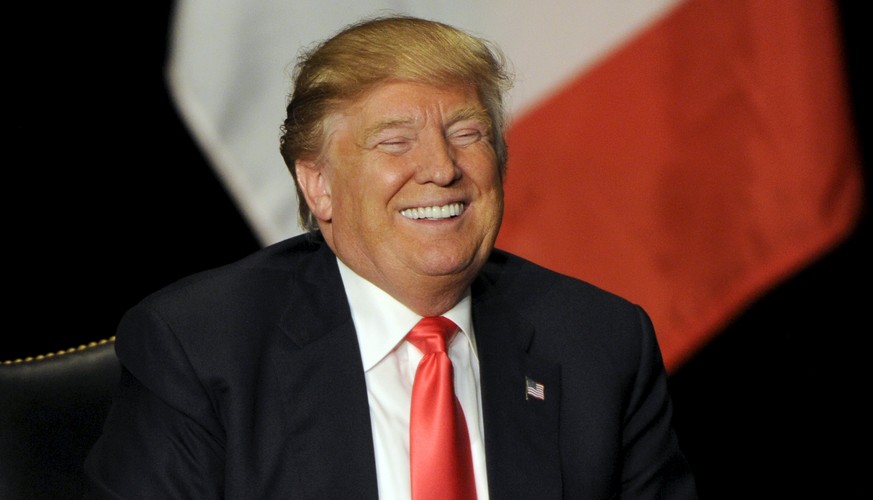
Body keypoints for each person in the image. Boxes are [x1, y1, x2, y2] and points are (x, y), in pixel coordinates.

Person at [85, 14, 698, 499]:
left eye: (467, 133)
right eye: (394, 141)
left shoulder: (599, 342)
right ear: (318, 185)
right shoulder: (201, 346)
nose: (441, 169)